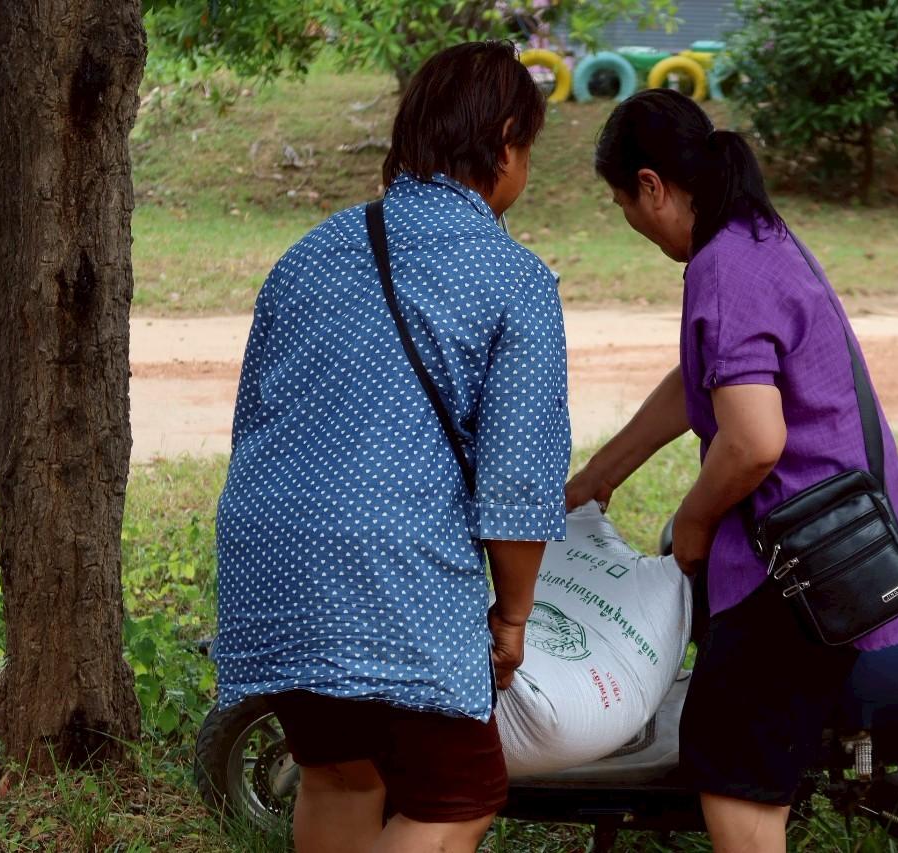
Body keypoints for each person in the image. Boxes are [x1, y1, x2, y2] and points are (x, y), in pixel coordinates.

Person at [212, 42, 570, 853]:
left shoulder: (306, 257)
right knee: (458, 795)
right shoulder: (515, 278)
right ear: (505, 139)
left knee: (344, 773)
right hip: (388, 563)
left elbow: (254, 425)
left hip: (269, 550)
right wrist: (512, 618)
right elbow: (517, 479)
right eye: (529, 152)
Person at [565, 89, 898, 853]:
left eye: (623, 200)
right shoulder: (753, 238)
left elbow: (755, 439)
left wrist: (691, 521)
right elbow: (706, 377)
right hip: (828, 528)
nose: (628, 219)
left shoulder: (725, 266)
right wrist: (603, 471)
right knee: (739, 756)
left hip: (801, 558)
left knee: (731, 771)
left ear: (652, 186)